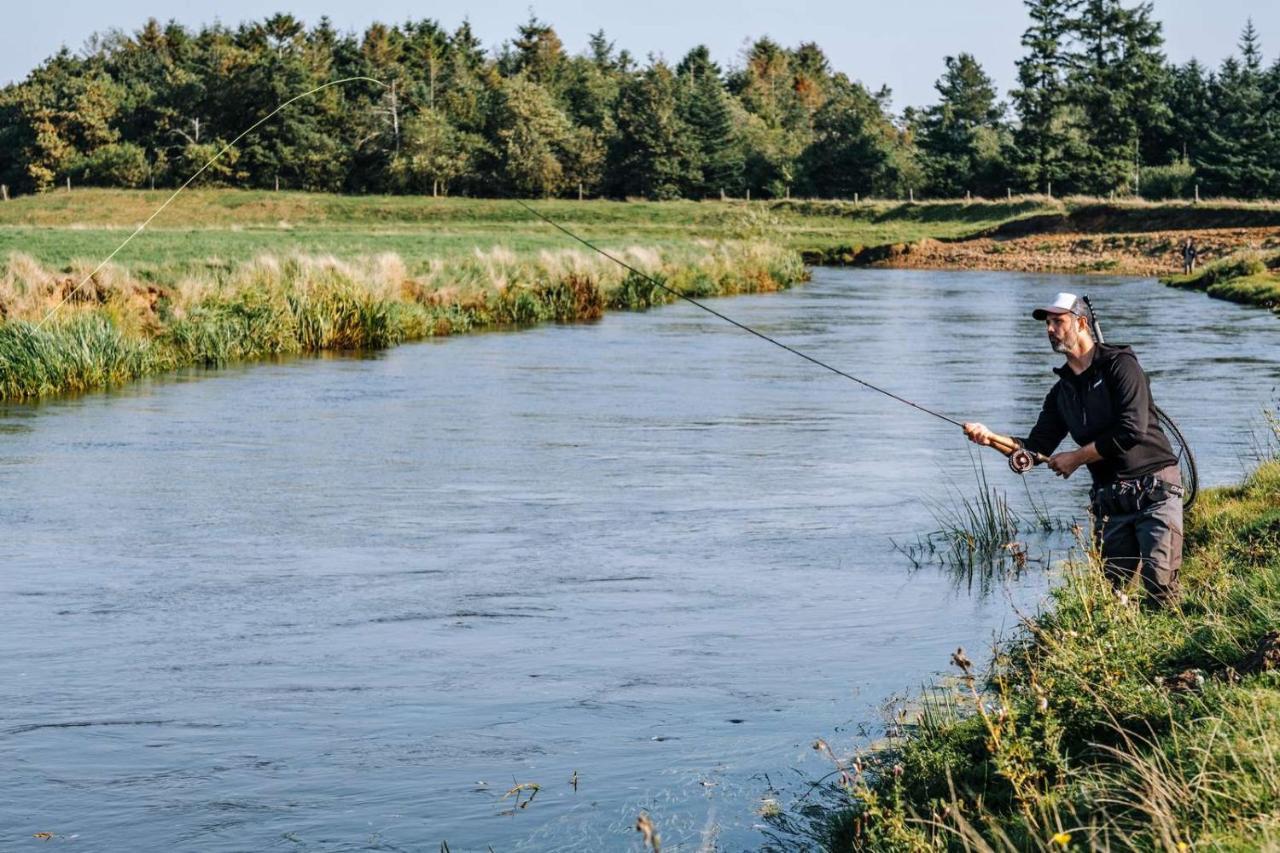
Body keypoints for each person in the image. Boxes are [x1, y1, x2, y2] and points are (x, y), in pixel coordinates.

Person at [962, 293, 1184, 608]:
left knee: (1160, 589)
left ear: (1081, 323)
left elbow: (1131, 430)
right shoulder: (1061, 392)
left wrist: (1076, 459)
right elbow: (1035, 449)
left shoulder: (1122, 366)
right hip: (1111, 502)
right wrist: (990, 438)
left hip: (1155, 493)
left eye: (1057, 321)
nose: (1050, 329)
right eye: (1047, 323)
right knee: (1114, 596)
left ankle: (1178, 651)